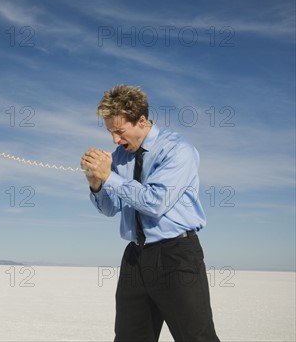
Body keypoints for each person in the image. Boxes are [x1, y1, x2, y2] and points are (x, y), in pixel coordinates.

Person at [81, 85, 219, 342]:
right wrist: (96, 183)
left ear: (141, 121)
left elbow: (155, 202)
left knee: (196, 337)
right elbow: (110, 208)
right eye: (110, 132)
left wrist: (109, 176)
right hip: (135, 257)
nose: (115, 141)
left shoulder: (177, 150)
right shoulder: (121, 156)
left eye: (120, 131)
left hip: (175, 256)